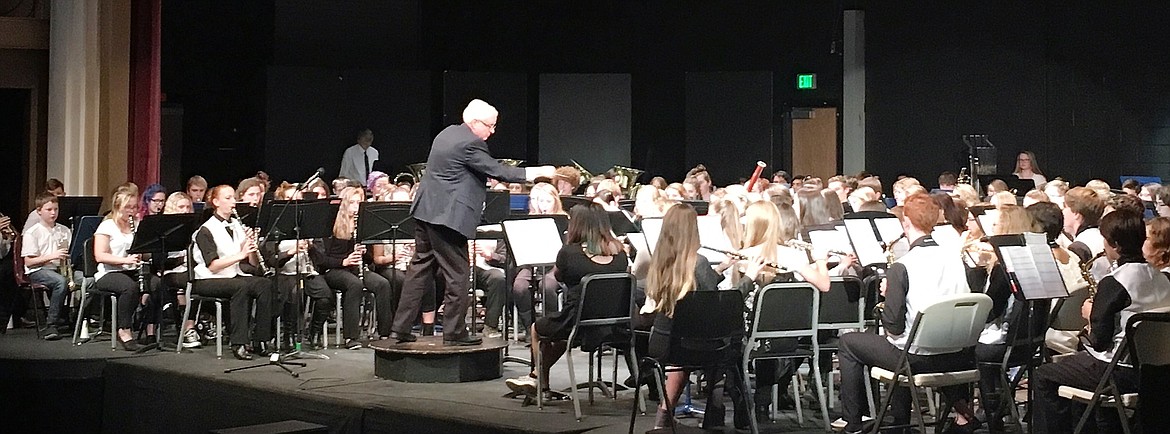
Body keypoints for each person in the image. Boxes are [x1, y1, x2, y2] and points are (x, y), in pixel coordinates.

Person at [388, 99, 555, 345]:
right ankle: (454, 332)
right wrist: (538, 172)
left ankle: (399, 329)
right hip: (447, 217)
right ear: (475, 122)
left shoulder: (447, 134)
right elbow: (499, 171)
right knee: (458, 274)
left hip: (426, 211)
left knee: (419, 271)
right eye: (490, 125)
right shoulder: (470, 143)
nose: (493, 131)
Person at [837, 193, 978, 434]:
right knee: (899, 343)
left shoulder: (904, 265)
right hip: (956, 354)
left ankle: (853, 424)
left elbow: (894, 327)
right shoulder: (956, 258)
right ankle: (899, 420)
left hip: (916, 358)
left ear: (906, 223)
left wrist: (888, 296)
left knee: (849, 342)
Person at [1032, 210, 1170, 433]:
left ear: (1114, 244)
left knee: (1043, 375)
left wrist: (1089, 314)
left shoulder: (1115, 282)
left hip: (1119, 372)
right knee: (1076, 370)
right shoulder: (1162, 279)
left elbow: (1099, 343)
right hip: (1157, 374)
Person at [640, 204, 749, 429]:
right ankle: (714, 419)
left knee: (690, 355)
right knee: (721, 349)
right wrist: (750, 277)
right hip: (690, 344)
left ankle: (664, 418)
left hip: (663, 341)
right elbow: (716, 302)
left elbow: (690, 289)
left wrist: (719, 269)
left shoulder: (660, 259)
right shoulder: (697, 262)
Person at [503, 203, 629, 395]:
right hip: (613, 324)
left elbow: (559, 277)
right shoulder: (620, 254)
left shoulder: (569, 253)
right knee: (560, 337)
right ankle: (536, 378)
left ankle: (539, 380)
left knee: (538, 329)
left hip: (577, 323)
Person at [190, 185, 276, 360]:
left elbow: (251, 262)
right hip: (207, 279)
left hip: (231, 275)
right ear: (215, 202)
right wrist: (240, 254)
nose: (233, 202)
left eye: (233, 197)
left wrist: (251, 248)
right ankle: (238, 342)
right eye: (227, 198)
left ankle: (261, 339)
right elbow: (212, 265)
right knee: (240, 287)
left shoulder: (236, 224)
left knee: (264, 284)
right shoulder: (205, 230)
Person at [311, 187, 395, 349]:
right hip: (334, 270)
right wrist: (344, 261)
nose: (356, 206)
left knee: (382, 284)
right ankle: (351, 337)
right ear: (344, 204)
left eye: (358, 202)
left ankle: (386, 333)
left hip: (355, 268)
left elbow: (370, 259)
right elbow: (321, 259)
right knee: (354, 285)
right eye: (352, 203)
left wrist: (364, 253)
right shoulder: (331, 225)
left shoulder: (361, 225)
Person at [92, 187, 158, 351]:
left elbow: (146, 254)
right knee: (129, 288)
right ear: (117, 206)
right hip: (109, 272)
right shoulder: (107, 226)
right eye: (128, 207)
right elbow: (99, 256)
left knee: (157, 284)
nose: (132, 211)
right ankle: (124, 330)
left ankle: (151, 331)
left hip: (132, 270)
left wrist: (146, 252)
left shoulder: (137, 224)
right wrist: (124, 260)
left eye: (134, 207)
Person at [20, 192, 73, 340]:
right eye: (49, 210)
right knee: (60, 282)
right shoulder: (33, 232)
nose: (53, 213)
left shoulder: (64, 230)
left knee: (87, 280)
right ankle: (51, 325)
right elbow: (28, 262)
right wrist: (52, 256)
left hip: (60, 268)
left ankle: (75, 320)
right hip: (38, 270)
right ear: (39, 211)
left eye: (55, 209)